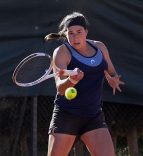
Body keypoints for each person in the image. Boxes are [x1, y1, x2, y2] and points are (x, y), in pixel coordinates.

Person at [46, 12, 124, 156]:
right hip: (67, 114)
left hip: (93, 115)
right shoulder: (62, 52)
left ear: (86, 32)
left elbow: (111, 71)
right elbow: (61, 89)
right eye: (71, 33)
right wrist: (72, 80)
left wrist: (113, 79)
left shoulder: (100, 47)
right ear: (66, 34)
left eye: (79, 32)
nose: (75, 37)